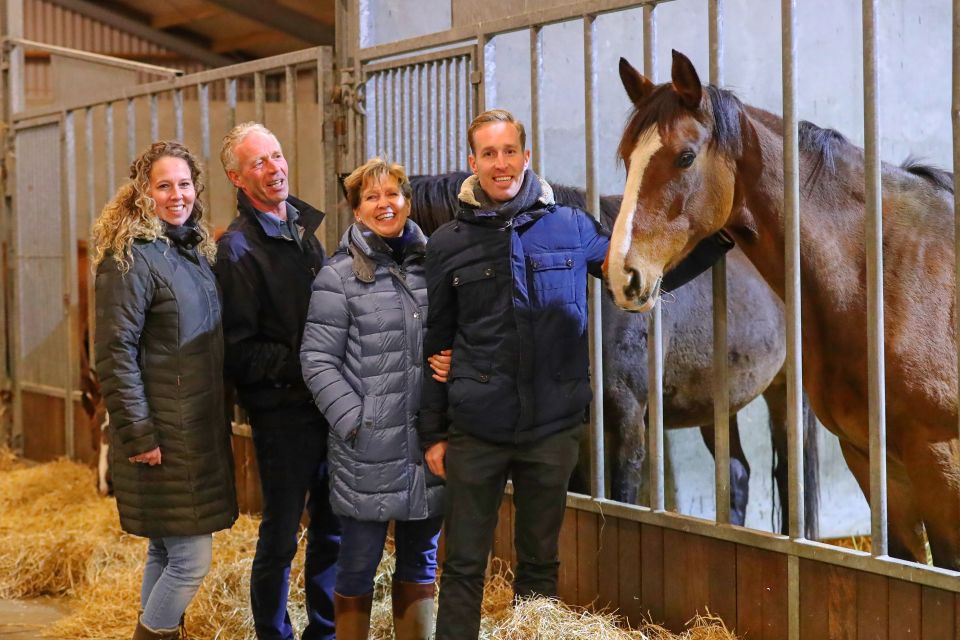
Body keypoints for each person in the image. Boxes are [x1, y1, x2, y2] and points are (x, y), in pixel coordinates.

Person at [418, 109, 733, 638]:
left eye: (509, 151)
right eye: (488, 154)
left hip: (552, 428)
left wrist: (719, 241)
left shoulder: (571, 226)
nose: (501, 163)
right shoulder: (449, 243)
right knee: (464, 565)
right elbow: (437, 344)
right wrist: (433, 433)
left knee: (540, 565)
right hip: (477, 430)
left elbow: (636, 276)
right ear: (473, 162)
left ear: (525, 156)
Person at [93, 141, 238, 640]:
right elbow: (114, 354)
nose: (177, 195)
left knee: (167, 550)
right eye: (164, 186)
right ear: (142, 194)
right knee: (191, 560)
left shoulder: (188, 252)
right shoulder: (129, 260)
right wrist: (139, 433)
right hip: (163, 432)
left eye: (184, 184)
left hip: (192, 428)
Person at [301, 158, 447, 640]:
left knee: (421, 561)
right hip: (366, 448)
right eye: (372, 197)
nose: (385, 204)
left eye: (394, 194)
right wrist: (355, 421)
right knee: (358, 563)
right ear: (357, 210)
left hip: (427, 444)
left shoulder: (434, 267)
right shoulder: (338, 276)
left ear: (407, 201)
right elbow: (317, 361)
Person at [214, 122, 340, 640]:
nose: (275, 168)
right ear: (237, 178)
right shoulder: (238, 250)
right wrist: (312, 363)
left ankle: (325, 631)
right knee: (282, 534)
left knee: (332, 529)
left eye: (278, 156)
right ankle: (273, 633)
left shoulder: (304, 234)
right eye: (259, 163)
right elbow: (240, 352)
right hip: (284, 413)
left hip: (329, 408)